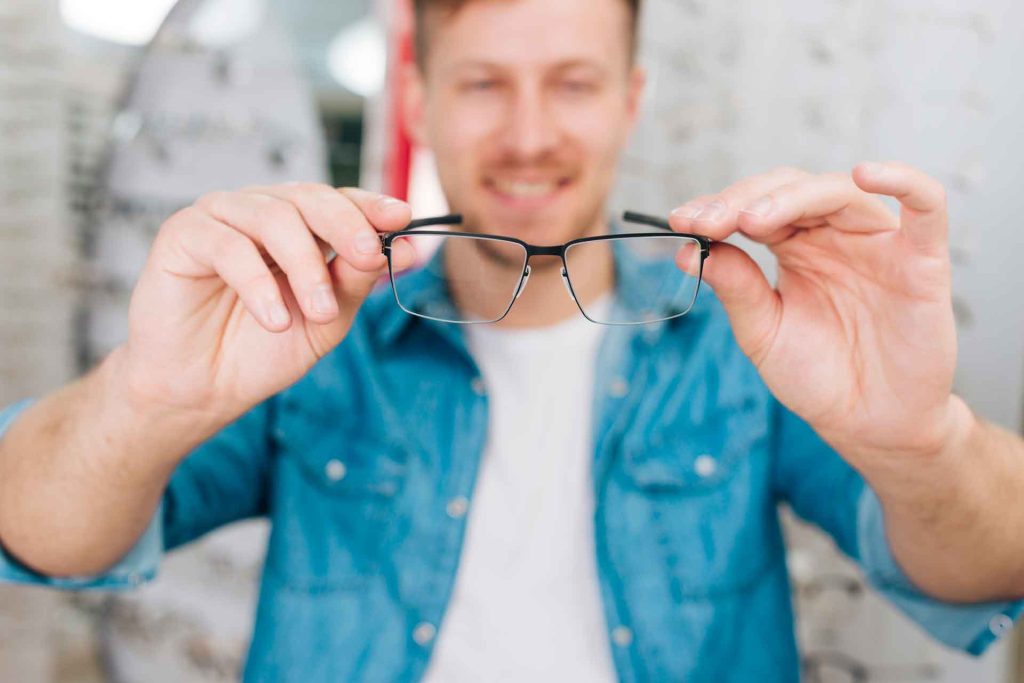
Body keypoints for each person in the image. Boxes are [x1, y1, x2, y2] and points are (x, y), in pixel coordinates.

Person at [2, 0, 1024, 680]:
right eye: (485, 82)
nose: (529, 134)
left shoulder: (746, 340)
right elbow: (40, 533)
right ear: (418, 100)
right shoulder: (310, 337)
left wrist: (919, 438)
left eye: (573, 83)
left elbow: (985, 567)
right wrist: (142, 396)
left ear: (630, 102)